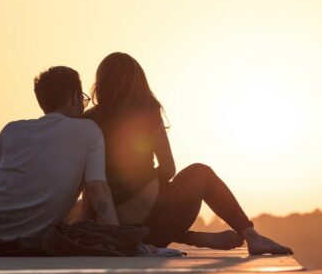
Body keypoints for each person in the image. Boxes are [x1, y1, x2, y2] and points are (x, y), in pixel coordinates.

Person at [83, 52, 292, 255]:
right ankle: (252, 237)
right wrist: (148, 182)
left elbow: (88, 181)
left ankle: (192, 238)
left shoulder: (89, 119)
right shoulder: (147, 110)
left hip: (117, 227)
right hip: (158, 219)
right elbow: (168, 168)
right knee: (201, 173)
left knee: (154, 207)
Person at [0, 66, 119, 239]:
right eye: (83, 100)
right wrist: (119, 236)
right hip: (21, 233)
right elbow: (97, 188)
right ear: (74, 97)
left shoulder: (12, 130)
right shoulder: (89, 131)